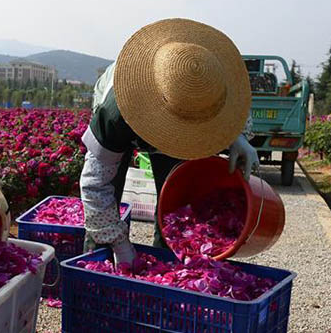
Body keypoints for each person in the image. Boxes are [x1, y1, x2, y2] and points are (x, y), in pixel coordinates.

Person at [80, 18, 258, 265]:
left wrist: (236, 136)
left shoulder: (213, 81)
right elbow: (95, 184)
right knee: (110, 187)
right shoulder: (115, 111)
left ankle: (169, 263)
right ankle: (97, 260)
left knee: (175, 203)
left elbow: (231, 108)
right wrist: (118, 243)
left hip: (176, 107)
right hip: (126, 117)